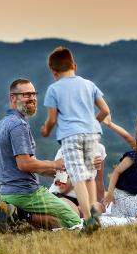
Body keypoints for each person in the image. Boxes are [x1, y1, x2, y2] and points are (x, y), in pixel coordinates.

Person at [0, 78, 82, 232]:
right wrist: (54, 164)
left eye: (34, 94)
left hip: (8, 193)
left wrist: (52, 172)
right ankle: (21, 214)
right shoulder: (18, 125)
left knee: (61, 218)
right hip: (26, 193)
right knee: (74, 220)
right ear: (12, 97)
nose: (33, 98)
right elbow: (25, 164)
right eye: (26, 95)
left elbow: (24, 164)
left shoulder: (3, 123)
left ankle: (16, 212)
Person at [40, 46, 110, 234]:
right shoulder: (89, 85)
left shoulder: (53, 89)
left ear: (53, 72)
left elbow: (53, 119)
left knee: (78, 177)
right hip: (92, 134)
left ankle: (88, 219)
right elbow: (105, 111)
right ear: (75, 66)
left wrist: (45, 130)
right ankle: (94, 212)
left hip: (71, 136)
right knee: (88, 174)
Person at [48, 144, 107, 218]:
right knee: (74, 212)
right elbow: (62, 188)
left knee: (98, 208)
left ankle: (80, 214)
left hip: (82, 199)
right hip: (61, 196)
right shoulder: (64, 151)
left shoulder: (99, 149)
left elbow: (99, 181)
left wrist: (101, 204)